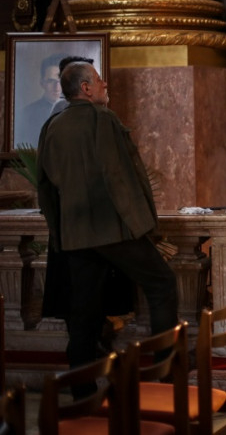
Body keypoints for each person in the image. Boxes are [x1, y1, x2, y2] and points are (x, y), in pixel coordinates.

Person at [36, 61, 179, 397]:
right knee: (162, 283)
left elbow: (45, 186)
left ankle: (82, 392)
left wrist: (59, 231)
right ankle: (167, 373)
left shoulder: (51, 125)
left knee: (83, 311)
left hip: (74, 233)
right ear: (85, 88)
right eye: (99, 81)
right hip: (112, 229)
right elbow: (122, 177)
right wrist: (144, 226)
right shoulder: (103, 118)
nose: (104, 85)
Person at [18, 54, 63, 147]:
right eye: (51, 81)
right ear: (42, 83)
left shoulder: (75, 111)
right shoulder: (27, 114)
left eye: (61, 81)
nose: (57, 87)